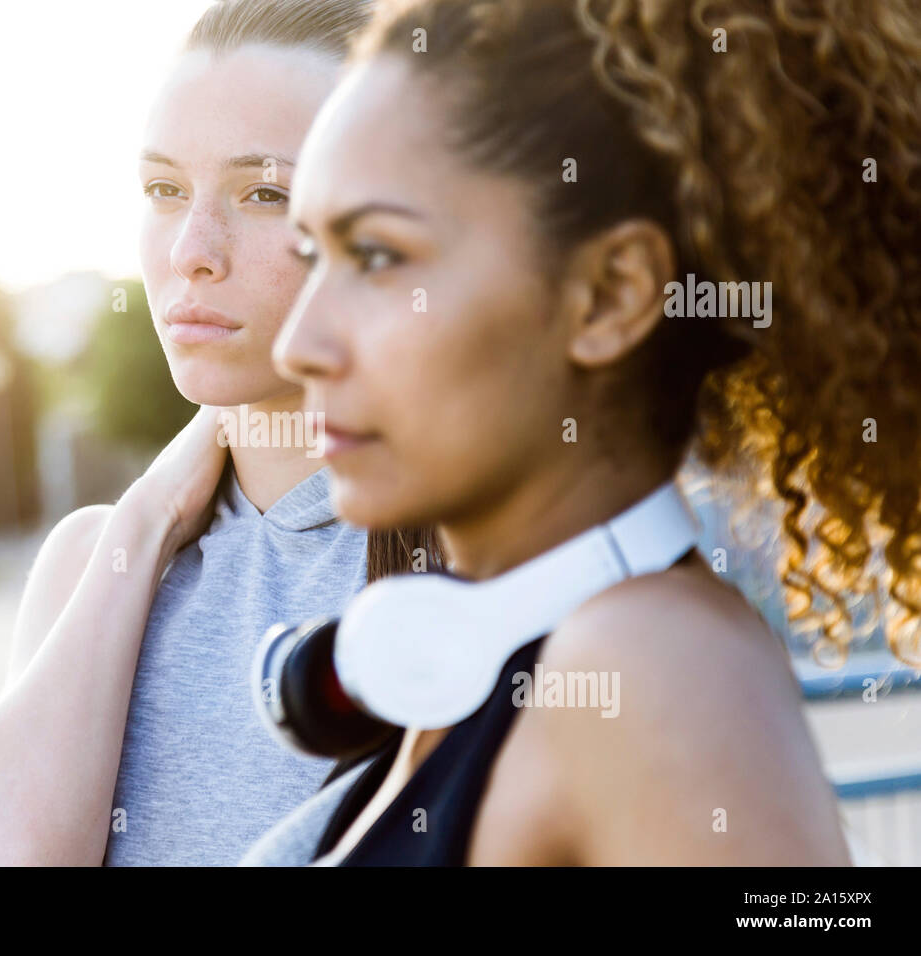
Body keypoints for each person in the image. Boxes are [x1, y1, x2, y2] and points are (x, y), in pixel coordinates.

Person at [243, 0, 919, 865]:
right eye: (311, 255)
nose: (298, 345)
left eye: (377, 256)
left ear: (609, 294)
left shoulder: (654, 666)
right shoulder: (494, 661)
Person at [0, 0, 406, 866]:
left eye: (264, 193)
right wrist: (142, 523)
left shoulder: (484, 554)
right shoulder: (97, 562)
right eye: (164, 191)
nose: (192, 249)